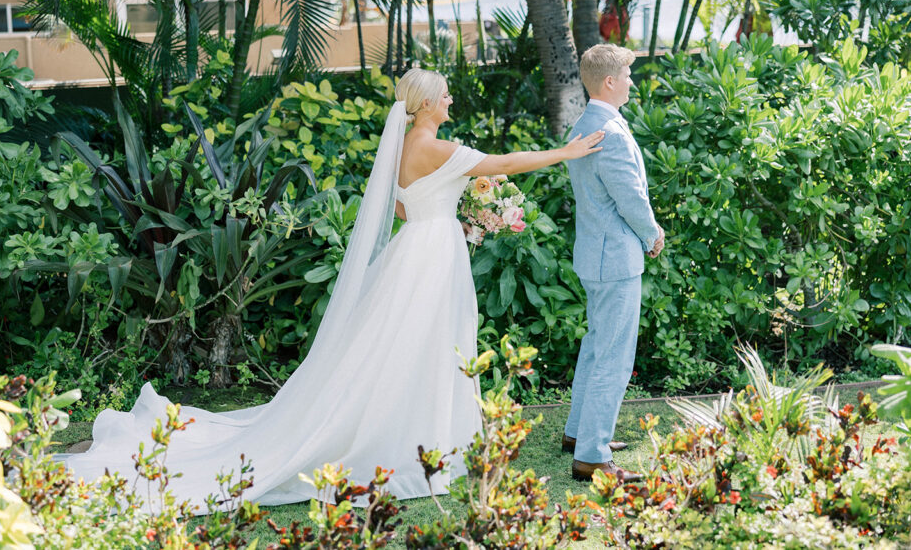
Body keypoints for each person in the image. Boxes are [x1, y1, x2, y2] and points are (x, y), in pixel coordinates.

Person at [57, 68, 604, 508]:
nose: (451, 102)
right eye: (445, 96)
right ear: (426, 104)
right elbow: (503, 163)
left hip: (418, 247)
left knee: (408, 347)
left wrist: (447, 215)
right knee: (430, 347)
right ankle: (427, 445)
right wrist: (565, 153)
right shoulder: (434, 144)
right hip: (433, 256)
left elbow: (399, 206)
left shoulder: (407, 148)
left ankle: (429, 438)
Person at [560, 44, 664, 483]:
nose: (631, 81)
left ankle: (577, 433)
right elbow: (631, 199)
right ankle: (591, 454)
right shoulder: (612, 133)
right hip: (615, 258)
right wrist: (652, 234)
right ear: (609, 82)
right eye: (626, 74)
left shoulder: (585, 124)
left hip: (593, 254)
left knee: (597, 345)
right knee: (614, 357)